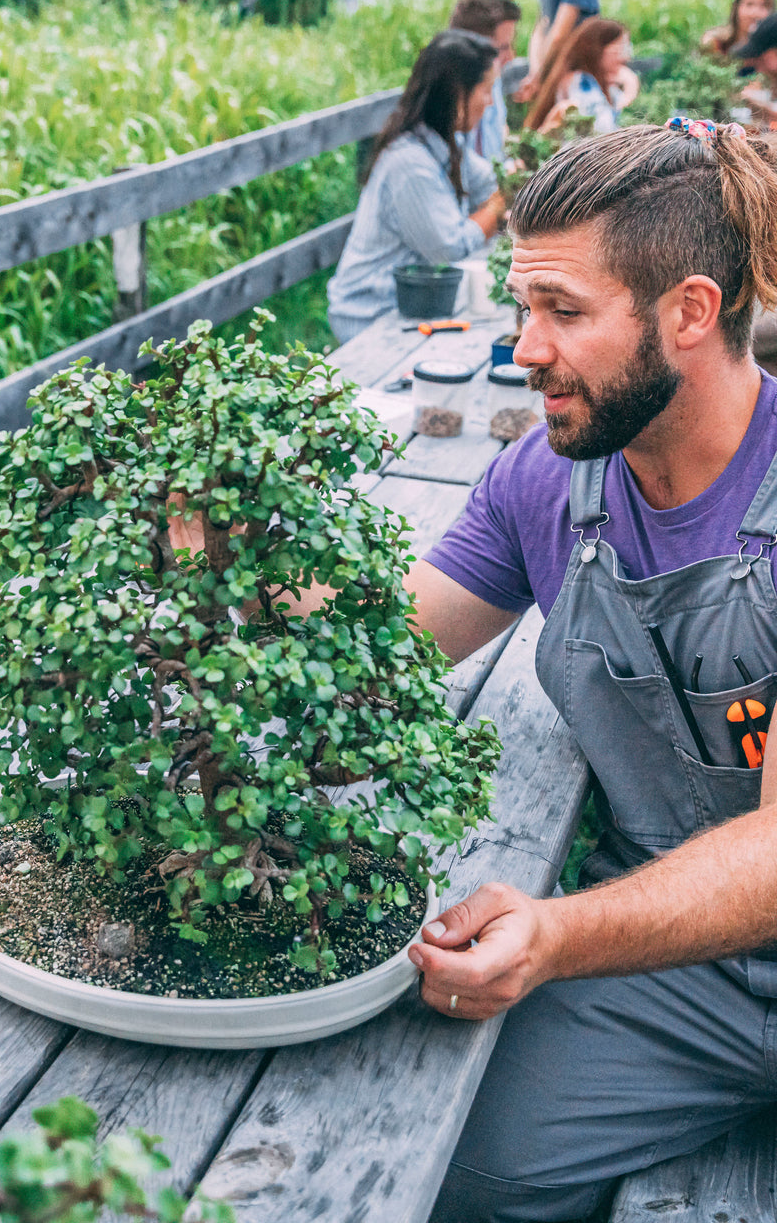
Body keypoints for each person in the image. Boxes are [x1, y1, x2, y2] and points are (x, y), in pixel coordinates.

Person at [390, 118, 777, 1222]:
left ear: (687, 312)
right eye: (522, 307)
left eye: (562, 311)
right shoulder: (543, 481)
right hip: (670, 965)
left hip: (628, 927)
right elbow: (378, 646)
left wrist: (557, 931)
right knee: (448, 1169)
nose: (523, 347)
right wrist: (205, 573)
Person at [326, 31, 506, 342]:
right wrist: (499, 205)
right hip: (372, 314)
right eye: (486, 90)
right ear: (457, 93)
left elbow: (490, 181)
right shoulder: (409, 162)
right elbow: (448, 247)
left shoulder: (444, 142)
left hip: (415, 302)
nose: (490, 103)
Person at [524, 16, 636, 134]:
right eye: (618, 50)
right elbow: (602, 129)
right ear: (597, 50)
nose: (625, 57)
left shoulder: (604, 86)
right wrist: (630, 89)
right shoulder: (581, 82)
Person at [449, 0, 523, 162]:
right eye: (502, 48)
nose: (511, 57)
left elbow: (500, 133)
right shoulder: (449, 100)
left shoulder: (492, 82)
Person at [701, 0, 775, 61]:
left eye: (763, 6)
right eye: (749, 4)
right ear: (736, 7)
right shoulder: (716, 42)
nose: (755, 13)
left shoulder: (771, 54)